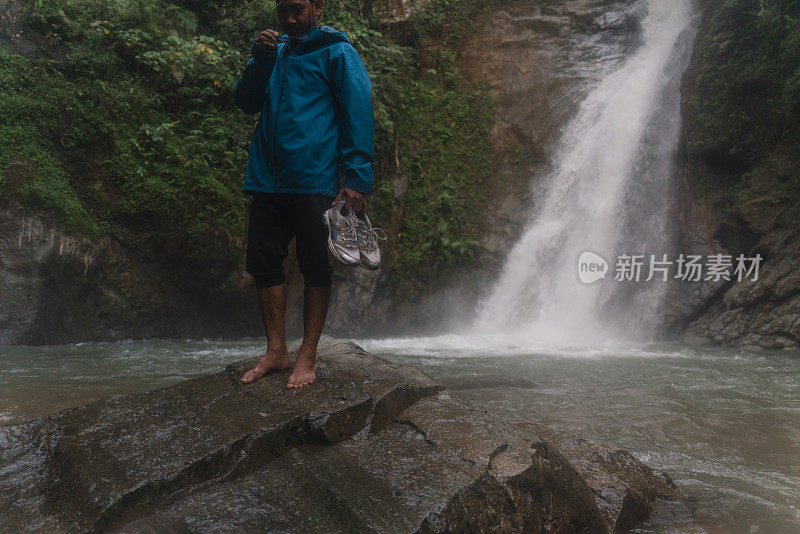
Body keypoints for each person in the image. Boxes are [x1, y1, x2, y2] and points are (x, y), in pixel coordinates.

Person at [233, 0, 375, 388]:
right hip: (267, 180)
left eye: (298, 10)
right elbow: (245, 103)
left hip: (316, 180)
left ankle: (307, 356)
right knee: (264, 262)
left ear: (318, 7)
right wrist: (259, 61)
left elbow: (358, 111)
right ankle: (277, 351)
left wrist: (357, 177)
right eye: (284, 12)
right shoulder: (273, 53)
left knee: (315, 267)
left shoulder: (338, 51)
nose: (291, 19)